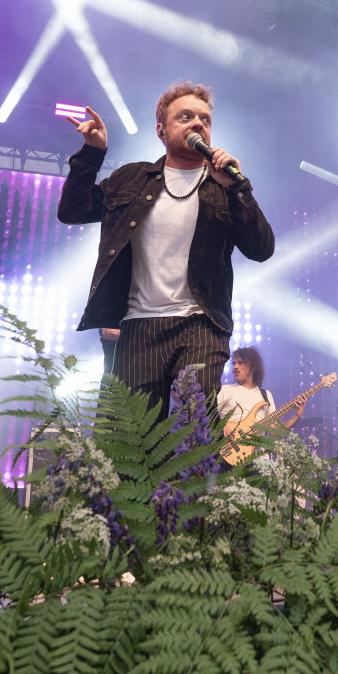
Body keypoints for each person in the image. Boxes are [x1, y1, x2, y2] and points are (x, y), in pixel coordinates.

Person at [58, 81, 276, 411]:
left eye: (205, 119)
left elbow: (261, 249)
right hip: (138, 324)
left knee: (196, 423)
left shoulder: (224, 188)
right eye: (185, 117)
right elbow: (72, 210)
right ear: (161, 129)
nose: (198, 123)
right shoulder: (132, 179)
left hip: (201, 323)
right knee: (129, 431)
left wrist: (237, 190)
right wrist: (92, 152)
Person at [217, 346, 275, 427]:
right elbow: (208, 416)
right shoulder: (224, 390)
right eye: (234, 363)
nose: (235, 367)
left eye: (240, 362)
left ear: (253, 366)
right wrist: (222, 427)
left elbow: (274, 431)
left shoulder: (266, 395)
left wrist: (294, 417)